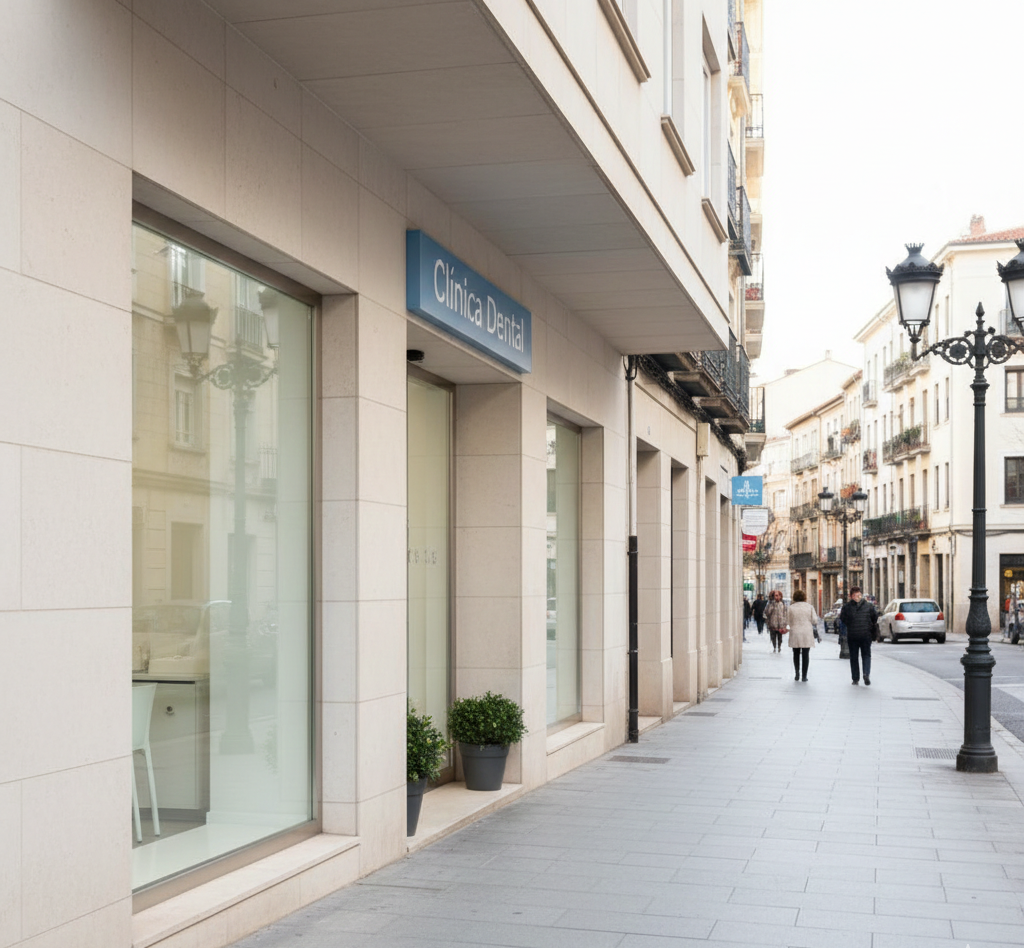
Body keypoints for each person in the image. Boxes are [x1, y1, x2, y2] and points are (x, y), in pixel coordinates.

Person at [840, 586, 878, 685]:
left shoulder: (847, 607)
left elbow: (843, 619)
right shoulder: (869, 606)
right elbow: (875, 617)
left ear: (851, 596)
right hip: (866, 635)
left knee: (854, 657)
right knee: (866, 655)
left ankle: (855, 678)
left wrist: (850, 624)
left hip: (852, 635)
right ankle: (866, 674)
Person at [787, 588, 818, 682]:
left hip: (795, 632)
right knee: (805, 654)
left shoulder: (791, 608)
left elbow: (788, 621)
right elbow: (815, 620)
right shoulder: (810, 607)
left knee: (795, 653)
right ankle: (804, 676)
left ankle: (797, 673)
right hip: (806, 633)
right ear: (804, 597)